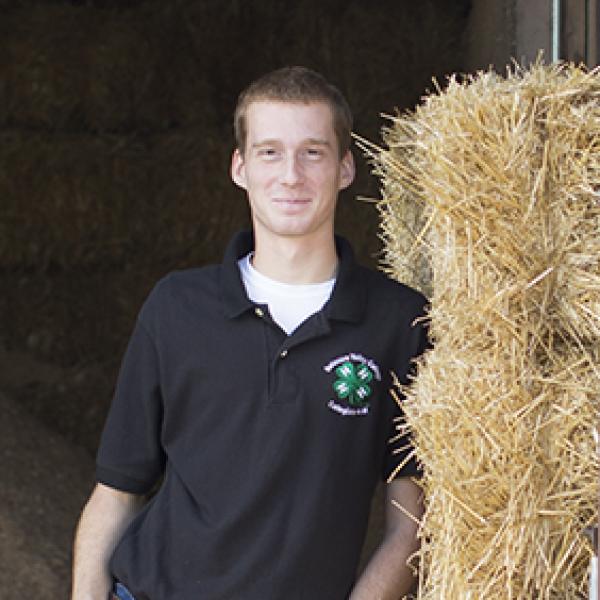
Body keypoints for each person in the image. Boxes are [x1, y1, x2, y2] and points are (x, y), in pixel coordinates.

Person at [71, 66, 429, 600]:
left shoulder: (398, 322)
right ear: (239, 167)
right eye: (269, 152)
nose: (290, 174)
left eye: (313, 151)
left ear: (346, 168)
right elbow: (117, 492)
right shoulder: (177, 308)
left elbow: (412, 522)